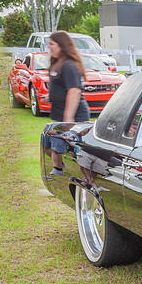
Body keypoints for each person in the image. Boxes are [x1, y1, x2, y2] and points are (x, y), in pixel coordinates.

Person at [41, 31, 89, 176]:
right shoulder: (57, 63)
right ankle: (64, 165)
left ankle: (59, 171)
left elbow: (74, 90)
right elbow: (61, 87)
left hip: (73, 115)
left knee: (58, 143)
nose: (49, 47)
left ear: (61, 45)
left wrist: (68, 118)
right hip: (59, 113)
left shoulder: (69, 65)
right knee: (46, 144)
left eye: (52, 44)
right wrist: (50, 96)